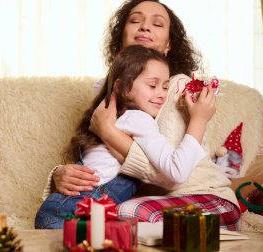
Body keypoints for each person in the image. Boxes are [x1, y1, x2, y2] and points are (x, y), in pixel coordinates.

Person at [41, 0, 241, 231]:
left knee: (121, 216)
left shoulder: (176, 87)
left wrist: (107, 131)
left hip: (201, 197)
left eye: (157, 24)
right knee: (98, 220)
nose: (145, 27)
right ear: (120, 39)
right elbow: (100, 159)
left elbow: (169, 175)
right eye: (135, 20)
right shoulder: (106, 90)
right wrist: (61, 175)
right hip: (145, 203)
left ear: (169, 45)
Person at [35, 44, 216, 229]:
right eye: (153, 85)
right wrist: (199, 120)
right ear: (122, 87)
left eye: (165, 87)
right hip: (72, 210)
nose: (162, 95)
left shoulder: (114, 117)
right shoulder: (138, 119)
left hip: (60, 207)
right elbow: (176, 171)